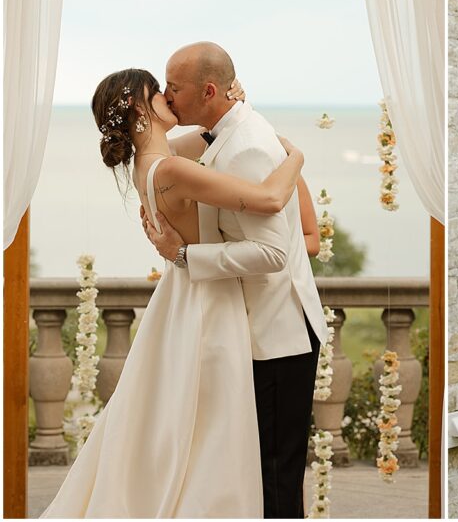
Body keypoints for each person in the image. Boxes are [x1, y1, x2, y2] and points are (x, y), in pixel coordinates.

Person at [44, 68, 305, 517]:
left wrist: (235, 106)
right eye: (158, 92)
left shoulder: (151, 163)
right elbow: (268, 200)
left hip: (181, 299)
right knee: (216, 430)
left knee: (187, 427)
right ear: (141, 110)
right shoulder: (173, 169)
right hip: (208, 305)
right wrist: (296, 156)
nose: (168, 95)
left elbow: (216, 138)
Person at [145, 42, 328, 518]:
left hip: (276, 336)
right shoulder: (224, 133)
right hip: (262, 332)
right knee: (261, 474)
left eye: (174, 88)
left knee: (274, 478)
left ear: (208, 90)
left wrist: (185, 255)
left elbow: (270, 253)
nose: (167, 95)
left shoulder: (243, 146)